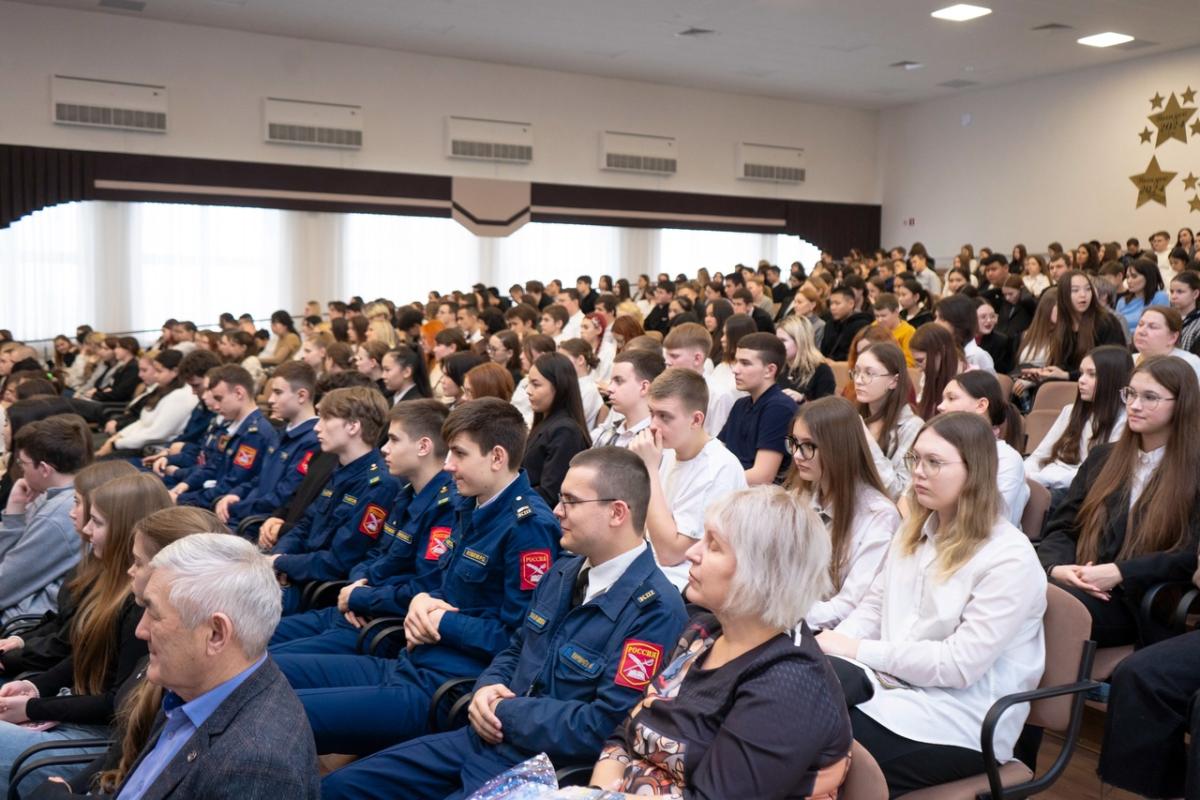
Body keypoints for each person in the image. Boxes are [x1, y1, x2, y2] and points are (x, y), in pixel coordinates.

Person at [321, 448, 687, 799]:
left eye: (571, 501)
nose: (557, 511)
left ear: (617, 512)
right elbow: (517, 646)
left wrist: (503, 711)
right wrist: (487, 688)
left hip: (537, 767)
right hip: (482, 737)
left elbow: (605, 724)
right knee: (339, 788)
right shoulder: (564, 570)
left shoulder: (655, 609)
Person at [272, 399, 560, 756]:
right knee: (265, 677)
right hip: (410, 662)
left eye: (459, 453)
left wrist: (438, 620)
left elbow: (516, 636)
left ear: (497, 457)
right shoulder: (469, 505)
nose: (449, 465)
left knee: (278, 715)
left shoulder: (528, 527)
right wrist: (422, 604)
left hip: (443, 684)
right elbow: (436, 585)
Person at [819, 412, 1046, 795]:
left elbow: (958, 666)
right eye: (915, 460)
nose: (918, 473)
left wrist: (855, 649)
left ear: (974, 472)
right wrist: (830, 651)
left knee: (814, 741)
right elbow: (874, 609)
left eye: (934, 462)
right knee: (792, 707)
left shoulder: (1010, 558)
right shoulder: (916, 531)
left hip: (960, 721)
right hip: (892, 689)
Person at [591, 485, 852, 797]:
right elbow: (627, 732)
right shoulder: (703, 632)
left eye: (713, 546)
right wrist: (597, 791)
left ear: (762, 572)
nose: (692, 553)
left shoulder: (787, 682)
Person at [107, 534, 319, 797]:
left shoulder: (256, 766)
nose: (141, 630)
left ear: (216, 634)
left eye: (155, 614)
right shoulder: (192, 689)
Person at [0, 473, 171, 794]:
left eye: (97, 521)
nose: (85, 528)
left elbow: (117, 704)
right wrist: (35, 686)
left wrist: (33, 706)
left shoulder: (139, 605)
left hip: (97, 735)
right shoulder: (108, 580)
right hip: (73, 709)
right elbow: (82, 653)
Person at [269, 400, 456, 657]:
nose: (384, 449)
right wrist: (357, 588)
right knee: (252, 637)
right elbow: (372, 556)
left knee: (266, 658)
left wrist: (362, 596)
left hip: (376, 626)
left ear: (423, 446)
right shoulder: (406, 495)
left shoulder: (446, 508)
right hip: (352, 608)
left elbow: (423, 586)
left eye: (393, 440)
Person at [1038, 355, 1200, 647]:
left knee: (1037, 602)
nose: (1135, 406)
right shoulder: (1104, 458)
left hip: (1139, 601)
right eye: (1131, 394)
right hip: (1079, 582)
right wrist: (1057, 568)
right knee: (1017, 590)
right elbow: (1063, 526)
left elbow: (1188, 555)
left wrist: (1119, 573)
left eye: (1150, 397)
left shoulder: (1195, 470)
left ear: (1181, 404)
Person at [268, 386, 400, 613]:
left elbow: (340, 561)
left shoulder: (379, 485)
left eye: (326, 419)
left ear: (353, 426)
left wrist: (281, 563)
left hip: (317, 589)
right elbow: (304, 526)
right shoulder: (341, 469)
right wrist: (277, 558)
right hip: (298, 572)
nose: (317, 427)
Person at [0, 460, 136, 678]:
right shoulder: (95, 557)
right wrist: (21, 640)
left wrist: (12, 657)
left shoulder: (119, 578)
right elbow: (62, 622)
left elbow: (69, 646)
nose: (72, 513)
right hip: (36, 646)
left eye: (78, 503)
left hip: (45, 662)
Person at [786, 397, 898, 631]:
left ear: (838, 449)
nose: (797, 455)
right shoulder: (801, 494)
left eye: (808, 446)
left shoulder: (878, 515)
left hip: (830, 634)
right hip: (793, 619)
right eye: (794, 443)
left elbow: (848, 606)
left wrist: (779, 614)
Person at [631, 368, 747, 590]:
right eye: (651, 413)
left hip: (684, 585)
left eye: (665, 416)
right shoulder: (665, 451)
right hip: (653, 571)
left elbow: (670, 554)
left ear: (696, 420)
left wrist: (648, 470)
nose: (653, 425)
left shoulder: (717, 467)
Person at [1, 415, 91, 622]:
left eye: (23, 463)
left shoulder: (58, 514)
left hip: (20, 621)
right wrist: (15, 509)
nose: (21, 470)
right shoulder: (55, 496)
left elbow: (6, 583)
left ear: (44, 469)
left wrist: (14, 515)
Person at [214, 361, 320, 537]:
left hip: (260, 526)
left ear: (301, 396)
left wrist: (236, 507)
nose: (270, 400)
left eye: (278, 393)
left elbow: (283, 496)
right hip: (246, 516)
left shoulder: (313, 441)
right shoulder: (283, 432)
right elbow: (260, 479)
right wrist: (236, 494)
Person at [1025, 346, 1132, 494]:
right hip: (1046, 480)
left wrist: (1041, 479)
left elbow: (1097, 475)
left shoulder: (1125, 422)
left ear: (1112, 379)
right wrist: (1024, 474)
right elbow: (1040, 455)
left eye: (1092, 375)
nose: (1081, 380)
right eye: (1081, 373)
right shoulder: (1070, 411)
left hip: (1075, 491)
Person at [169, 366, 278, 509]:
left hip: (223, 506)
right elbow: (212, 467)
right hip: (210, 496)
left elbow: (232, 483)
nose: (216, 406)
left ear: (239, 393)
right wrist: (186, 484)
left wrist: (183, 499)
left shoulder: (255, 434)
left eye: (219, 398)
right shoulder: (233, 427)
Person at [936, 371, 1029, 528]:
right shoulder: (939, 449)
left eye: (951, 398)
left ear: (981, 405)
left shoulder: (1006, 459)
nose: (940, 406)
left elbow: (991, 521)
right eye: (943, 399)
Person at [717, 333, 797, 486]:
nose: (735, 369)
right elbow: (718, 451)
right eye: (736, 361)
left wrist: (713, 481)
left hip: (761, 501)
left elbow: (762, 476)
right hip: (734, 491)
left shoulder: (780, 408)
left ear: (769, 370)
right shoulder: (740, 404)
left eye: (745, 363)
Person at [852, 342, 922, 499]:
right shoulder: (854, 416)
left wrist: (867, 440)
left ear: (894, 381)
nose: (858, 380)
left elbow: (900, 491)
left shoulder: (912, 427)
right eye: (856, 372)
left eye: (869, 373)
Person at [521, 352, 592, 506]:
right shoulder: (547, 423)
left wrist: (508, 502)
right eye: (529, 383)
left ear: (559, 387)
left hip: (539, 518)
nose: (528, 390)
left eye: (536, 384)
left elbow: (551, 495)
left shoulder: (565, 431)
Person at [1032, 270, 1126, 385]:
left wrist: (1067, 375)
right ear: (1063, 296)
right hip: (1071, 385)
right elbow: (1063, 364)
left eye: (1087, 289)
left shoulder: (1107, 322)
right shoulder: (1063, 324)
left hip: (1102, 386)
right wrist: (1047, 372)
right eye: (1075, 290)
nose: (1083, 294)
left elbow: (1110, 364)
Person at [591, 350, 665, 448]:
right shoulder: (605, 434)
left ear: (644, 387)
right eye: (611, 381)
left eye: (618, 381)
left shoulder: (658, 441)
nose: (609, 388)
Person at [1132, 305, 1200, 388]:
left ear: (1172, 337)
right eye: (1140, 324)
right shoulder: (1130, 360)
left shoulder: (1189, 363)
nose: (1141, 331)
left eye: (1153, 327)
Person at [909, 322, 963, 421]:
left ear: (941, 352)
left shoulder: (967, 381)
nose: (919, 369)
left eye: (921, 361)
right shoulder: (930, 374)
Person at [775, 315, 835, 403]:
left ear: (800, 341)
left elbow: (826, 410)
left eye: (783, 340)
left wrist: (802, 400)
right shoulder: (777, 366)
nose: (777, 345)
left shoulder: (821, 370)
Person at [936, 293, 993, 373]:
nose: (935, 323)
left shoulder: (977, 355)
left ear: (958, 322)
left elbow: (989, 385)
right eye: (936, 317)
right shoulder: (941, 350)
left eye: (941, 319)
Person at [557, 338, 604, 430]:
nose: (559, 364)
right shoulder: (569, 384)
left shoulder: (589, 390)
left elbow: (571, 421)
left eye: (563, 359)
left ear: (580, 360)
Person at [1116, 258, 1170, 336]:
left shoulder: (1159, 297)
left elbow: (1158, 327)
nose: (1129, 281)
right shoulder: (1122, 301)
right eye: (1127, 277)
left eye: (1134, 276)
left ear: (1148, 277)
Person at [820, 286, 873, 361]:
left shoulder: (862, 325)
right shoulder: (829, 325)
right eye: (831, 304)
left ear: (851, 304)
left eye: (837, 303)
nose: (832, 307)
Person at [871, 293, 916, 365]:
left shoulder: (908, 332)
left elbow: (910, 362)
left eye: (883, 316)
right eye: (877, 316)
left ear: (896, 312)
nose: (879, 320)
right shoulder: (874, 326)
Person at [1169, 270, 1200, 353]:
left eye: (1180, 292)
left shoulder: (1197, 323)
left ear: (1195, 294)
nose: (1173, 296)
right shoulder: (1166, 317)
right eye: (1172, 292)